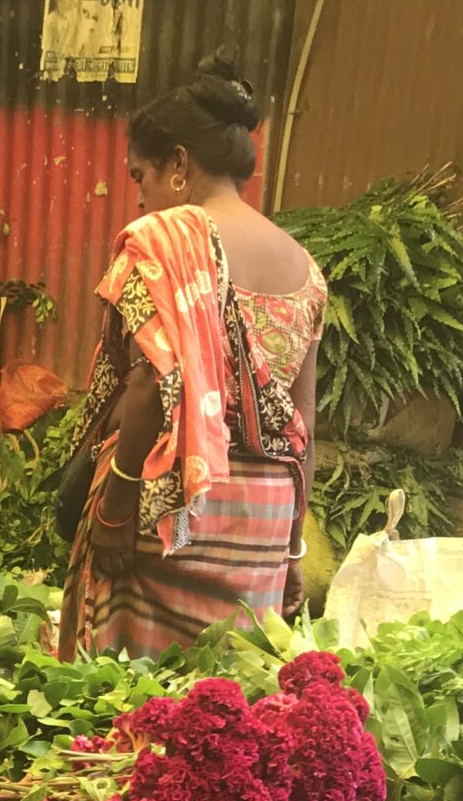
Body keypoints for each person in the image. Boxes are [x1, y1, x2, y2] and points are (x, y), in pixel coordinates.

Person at [54, 50, 321, 658]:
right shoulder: (306, 268)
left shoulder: (162, 242)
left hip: (165, 509)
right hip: (261, 526)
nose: (141, 199)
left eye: (139, 175)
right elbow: (302, 425)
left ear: (178, 164)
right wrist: (292, 549)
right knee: (223, 706)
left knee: (117, 704)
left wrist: (117, 505)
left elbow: (149, 384)